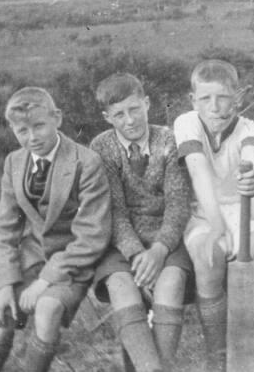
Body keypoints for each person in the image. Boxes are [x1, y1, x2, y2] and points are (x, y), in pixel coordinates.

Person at [0, 87, 111, 372]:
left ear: (57, 119)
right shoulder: (14, 162)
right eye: (22, 130)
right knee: (2, 313)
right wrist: (4, 284)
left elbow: (91, 236)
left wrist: (45, 281)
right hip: (33, 257)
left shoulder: (85, 162)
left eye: (39, 126)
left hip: (74, 263)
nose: (32, 137)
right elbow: (3, 229)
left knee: (47, 308)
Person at [173, 59, 254, 371]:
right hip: (203, 211)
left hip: (239, 210)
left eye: (223, 97)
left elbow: (251, 165)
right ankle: (218, 356)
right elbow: (198, 170)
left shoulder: (249, 129)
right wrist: (216, 225)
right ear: (194, 101)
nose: (215, 107)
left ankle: (249, 348)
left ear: (239, 97)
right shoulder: (187, 123)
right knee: (209, 258)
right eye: (206, 99)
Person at [90, 73, 192, 372]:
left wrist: (159, 251)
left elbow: (177, 203)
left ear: (147, 103)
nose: (130, 120)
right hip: (120, 241)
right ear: (107, 117)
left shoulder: (169, 140)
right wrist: (136, 255)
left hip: (166, 236)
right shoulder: (102, 147)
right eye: (119, 114)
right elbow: (115, 211)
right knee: (122, 285)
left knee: (171, 282)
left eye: (135, 109)